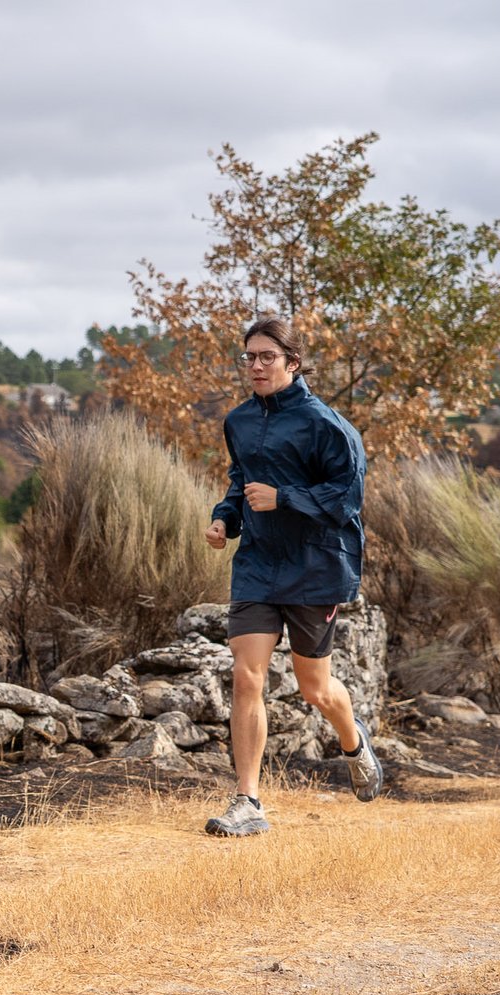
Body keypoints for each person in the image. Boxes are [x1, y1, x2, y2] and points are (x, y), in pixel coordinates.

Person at [202, 316, 381, 837]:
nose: (255, 366)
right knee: (246, 675)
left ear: (292, 363)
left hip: (315, 566)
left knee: (315, 689)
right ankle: (248, 802)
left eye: (266, 357)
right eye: (249, 357)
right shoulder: (238, 421)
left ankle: (353, 741)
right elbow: (241, 481)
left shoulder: (327, 426)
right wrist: (225, 518)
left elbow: (348, 499)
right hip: (258, 564)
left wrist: (285, 499)